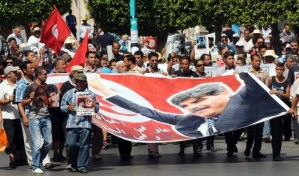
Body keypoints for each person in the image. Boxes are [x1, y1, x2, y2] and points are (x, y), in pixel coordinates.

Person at [87, 72, 286, 138]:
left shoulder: (243, 97)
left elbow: (248, 83)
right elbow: (145, 110)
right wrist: (104, 91)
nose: (195, 108)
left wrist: (243, 74)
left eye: (199, 100)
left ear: (225, 92)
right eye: (188, 106)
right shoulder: (188, 120)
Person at [61, 73, 99, 173]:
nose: (78, 83)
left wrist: (94, 106)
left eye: (80, 82)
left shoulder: (91, 94)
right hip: (72, 123)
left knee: (84, 146)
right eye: (77, 81)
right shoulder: (69, 93)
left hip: (85, 123)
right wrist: (68, 107)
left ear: (85, 83)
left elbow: (97, 109)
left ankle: (82, 166)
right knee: (71, 144)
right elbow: (62, 106)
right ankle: (73, 163)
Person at [21, 67, 52, 174]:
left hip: (46, 116)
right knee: (37, 143)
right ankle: (35, 166)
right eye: (44, 74)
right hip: (34, 117)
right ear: (38, 75)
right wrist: (30, 98)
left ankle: (37, 160)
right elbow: (22, 102)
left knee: (49, 142)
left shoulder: (47, 87)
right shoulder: (31, 87)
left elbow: (50, 101)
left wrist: (53, 98)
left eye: (46, 74)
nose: (46, 76)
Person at [0, 66, 24, 169]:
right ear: (8, 74)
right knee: (11, 138)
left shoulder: (19, 84)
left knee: (19, 137)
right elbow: (0, 100)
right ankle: (12, 160)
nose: (16, 74)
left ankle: (19, 159)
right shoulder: (2, 85)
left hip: (18, 115)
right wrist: (9, 100)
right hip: (7, 116)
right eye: (14, 72)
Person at [244, 54, 269, 159]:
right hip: (251, 105)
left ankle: (256, 150)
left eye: (259, 61)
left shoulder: (264, 73)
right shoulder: (248, 73)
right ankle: (248, 147)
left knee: (259, 129)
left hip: (261, 105)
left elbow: (267, 88)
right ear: (252, 61)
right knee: (251, 130)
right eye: (256, 61)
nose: (258, 62)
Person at [267, 62, 290, 161]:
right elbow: (266, 91)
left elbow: (287, 95)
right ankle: (275, 154)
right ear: (275, 69)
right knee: (275, 131)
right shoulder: (270, 79)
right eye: (278, 69)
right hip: (273, 108)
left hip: (283, 108)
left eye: (281, 70)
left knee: (281, 130)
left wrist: (277, 92)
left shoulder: (287, 81)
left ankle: (277, 152)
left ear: (283, 70)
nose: (279, 72)